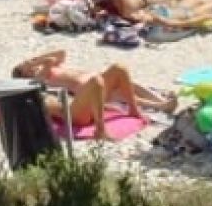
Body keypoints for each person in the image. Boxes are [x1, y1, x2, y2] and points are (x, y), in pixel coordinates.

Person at [12, 50, 177, 139]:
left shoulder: (44, 72)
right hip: (74, 112)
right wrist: (35, 62)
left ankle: (134, 109)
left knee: (120, 68)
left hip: (80, 102)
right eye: (26, 66)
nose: (30, 64)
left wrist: (34, 61)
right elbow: (48, 62)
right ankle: (100, 130)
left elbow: (61, 53)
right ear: (24, 75)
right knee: (98, 82)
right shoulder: (37, 79)